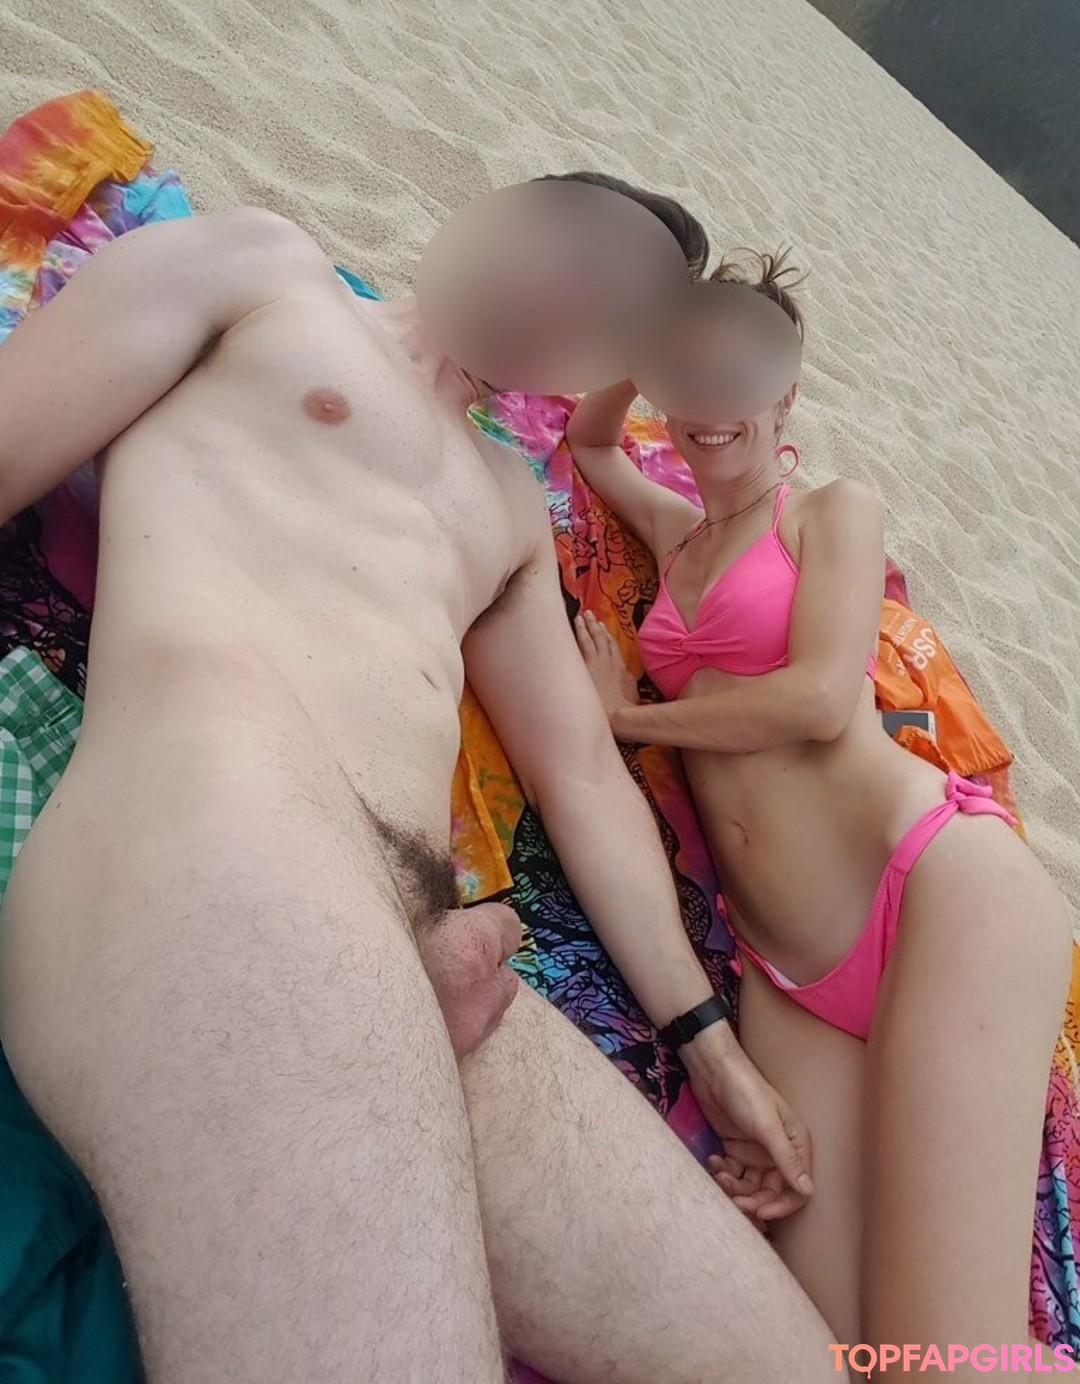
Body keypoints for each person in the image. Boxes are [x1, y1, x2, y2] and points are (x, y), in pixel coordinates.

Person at [0, 180, 841, 1383]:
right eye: (576, 245)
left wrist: (710, 1044)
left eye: (620, 309)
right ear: (502, 208)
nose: (572, 293)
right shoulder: (260, 275)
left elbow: (581, 779)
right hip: (209, 836)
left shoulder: (510, 505)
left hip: (432, 946)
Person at [569, 249, 1073, 1371]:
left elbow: (813, 699)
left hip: (932, 888)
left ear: (785, 391)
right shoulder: (674, 532)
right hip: (790, 974)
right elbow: (592, 444)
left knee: (948, 1359)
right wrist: (654, 337)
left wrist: (627, 719)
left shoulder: (832, 511)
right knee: (850, 1350)